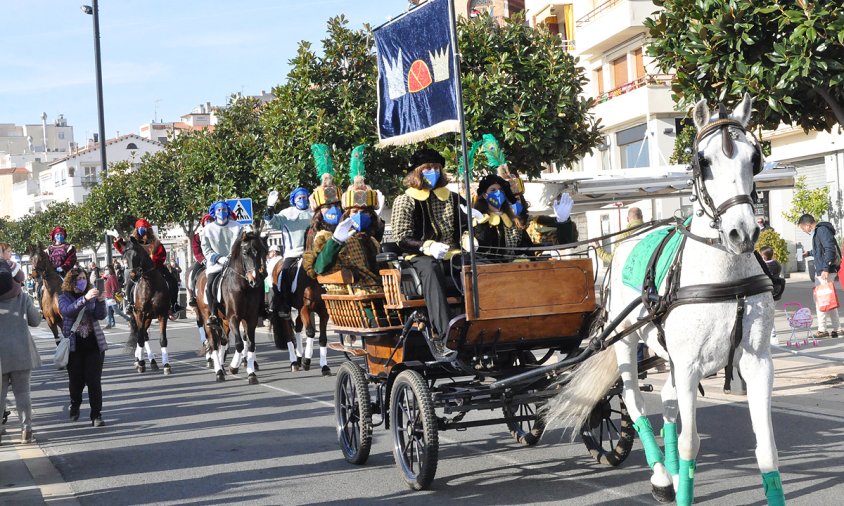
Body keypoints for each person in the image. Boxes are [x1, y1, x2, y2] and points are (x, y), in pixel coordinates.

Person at [391, 147, 467, 341]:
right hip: (419, 257)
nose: (432, 172)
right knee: (432, 268)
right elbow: (401, 237)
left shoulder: (452, 197)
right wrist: (428, 246)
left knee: (475, 264)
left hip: (452, 253)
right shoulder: (405, 200)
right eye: (427, 169)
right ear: (417, 172)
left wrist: (469, 238)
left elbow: (465, 225)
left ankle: (479, 321)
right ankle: (445, 332)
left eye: (436, 168)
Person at [58, 266, 107, 427]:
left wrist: (100, 302)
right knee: (76, 382)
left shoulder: (92, 293)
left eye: (84, 278)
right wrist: (84, 299)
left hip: (93, 345)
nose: (82, 281)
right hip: (74, 347)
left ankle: (96, 414)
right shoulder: (64, 297)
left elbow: (100, 315)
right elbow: (68, 311)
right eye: (79, 279)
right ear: (71, 281)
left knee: (94, 381)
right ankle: (75, 404)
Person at [0, 261, 42, 444]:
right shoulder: (22, 297)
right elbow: (35, 321)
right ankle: (27, 431)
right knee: (23, 393)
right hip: (22, 352)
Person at [112, 219, 182, 319]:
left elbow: (162, 254)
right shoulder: (133, 242)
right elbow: (125, 250)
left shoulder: (155, 242)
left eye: (144, 229)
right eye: (140, 229)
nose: (143, 231)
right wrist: (118, 240)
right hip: (139, 269)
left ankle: (173, 304)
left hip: (156, 267)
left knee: (172, 280)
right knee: (129, 284)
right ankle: (131, 304)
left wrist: (154, 263)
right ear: (137, 230)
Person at [264, 184, 314, 318]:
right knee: (284, 275)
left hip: (313, 254)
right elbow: (272, 222)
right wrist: (270, 208)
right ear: (294, 200)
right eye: (299, 197)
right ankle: (284, 305)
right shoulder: (287, 213)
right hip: (293, 253)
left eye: (304, 197)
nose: (302, 199)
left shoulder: (313, 213)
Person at [798, 213, 842, 338]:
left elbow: (829, 249)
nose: (804, 231)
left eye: (802, 228)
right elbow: (821, 250)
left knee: (821, 300)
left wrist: (826, 268)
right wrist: (809, 253)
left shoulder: (821, 230)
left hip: (825, 271)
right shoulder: (821, 231)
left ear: (807, 225)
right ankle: (837, 328)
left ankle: (822, 329)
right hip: (825, 269)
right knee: (829, 299)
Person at [201, 201, 243, 325]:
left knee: (254, 280)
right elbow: (206, 248)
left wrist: (234, 257)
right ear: (214, 212)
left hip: (235, 262)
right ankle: (213, 314)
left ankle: (262, 307)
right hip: (216, 263)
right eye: (219, 210)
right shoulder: (208, 229)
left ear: (228, 211)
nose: (222, 212)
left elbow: (242, 244)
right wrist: (218, 258)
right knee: (209, 286)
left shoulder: (237, 226)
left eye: (224, 210)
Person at [102, 265, 130, 329]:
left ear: (110, 270)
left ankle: (129, 319)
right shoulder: (108, 277)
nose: (106, 270)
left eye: (107, 269)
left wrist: (112, 297)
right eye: (105, 269)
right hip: (107, 297)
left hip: (111, 297)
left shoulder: (112, 277)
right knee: (108, 312)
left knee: (117, 311)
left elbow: (114, 288)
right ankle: (110, 324)